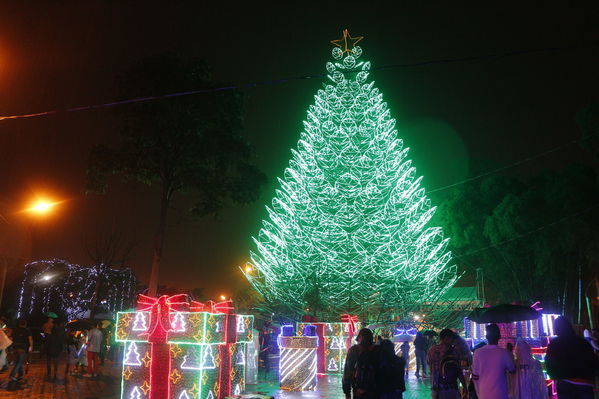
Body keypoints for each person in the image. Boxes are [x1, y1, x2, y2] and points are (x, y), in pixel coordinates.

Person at [545, 316, 598, 399]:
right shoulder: (583, 342)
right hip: (585, 382)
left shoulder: (554, 344)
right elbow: (592, 360)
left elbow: (549, 362)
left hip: (565, 382)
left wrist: (554, 376)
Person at [472, 324, 516, 399]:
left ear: (486, 337)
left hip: (484, 394)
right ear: (499, 336)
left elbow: (475, 377)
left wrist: (479, 393)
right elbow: (512, 370)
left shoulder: (477, 352)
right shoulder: (504, 353)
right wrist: (510, 353)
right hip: (501, 394)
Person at [427, 328, 466, 399]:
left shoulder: (431, 350)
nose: (453, 341)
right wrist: (465, 388)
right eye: (452, 339)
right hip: (450, 388)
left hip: (435, 388)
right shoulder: (454, 351)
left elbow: (430, 365)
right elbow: (458, 371)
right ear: (446, 338)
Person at [343, 328, 379, 399]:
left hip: (358, 390)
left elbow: (347, 372)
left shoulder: (353, 350)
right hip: (374, 391)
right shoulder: (377, 350)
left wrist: (347, 393)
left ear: (359, 338)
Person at [8, 319, 32, 383]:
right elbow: (30, 339)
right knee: (19, 362)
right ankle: (12, 375)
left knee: (19, 362)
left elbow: (10, 338)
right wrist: (31, 347)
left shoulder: (14, 330)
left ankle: (20, 376)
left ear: (19, 324)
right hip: (23, 348)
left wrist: (10, 348)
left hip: (15, 348)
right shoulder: (27, 331)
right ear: (25, 324)